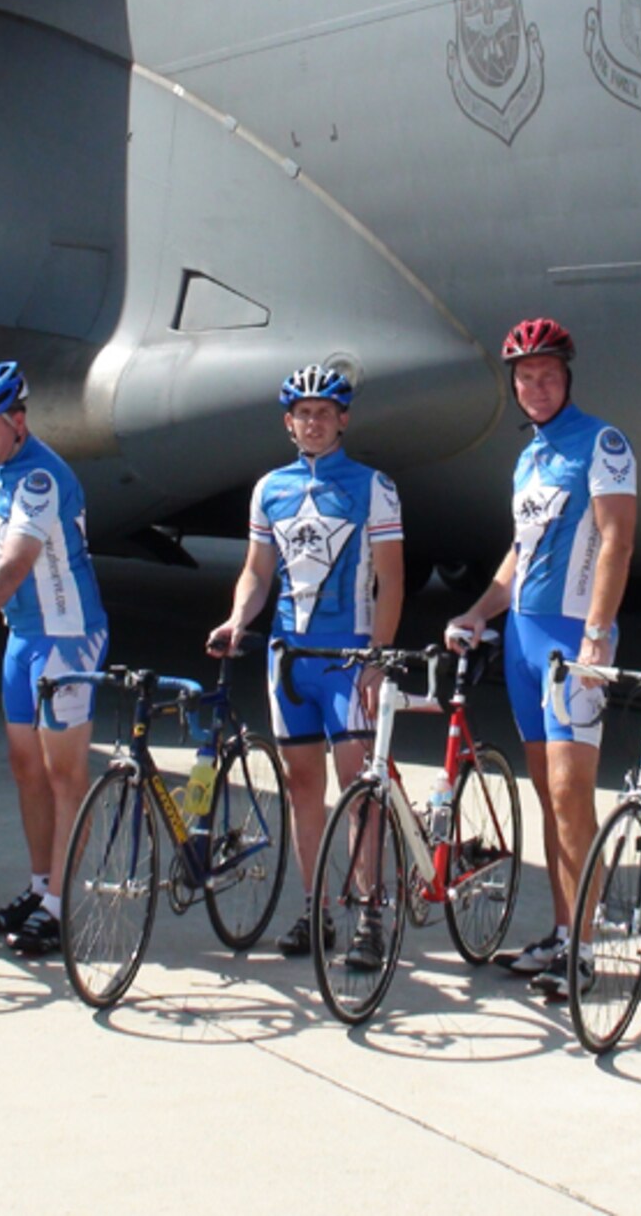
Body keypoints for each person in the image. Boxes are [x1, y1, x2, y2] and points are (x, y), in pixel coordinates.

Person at [447, 318, 637, 998]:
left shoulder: (602, 443)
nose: (535, 386)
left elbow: (616, 540)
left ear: (567, 377)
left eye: (547, 375)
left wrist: (597, 630)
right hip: (525, 643)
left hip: (572, 640)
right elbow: (520, 555)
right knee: (545, 794)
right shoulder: (529, 457)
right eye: (525, 377)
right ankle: (562, 934)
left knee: (570, 793)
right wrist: (478, 609)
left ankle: (584, 950)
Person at [208, 366, 404, 966]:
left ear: (343, 419)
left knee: (358, 788)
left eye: (324, 412)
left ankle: (369, 912)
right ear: (288, 422)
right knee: (301, 787)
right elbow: (257, 571)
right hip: (288, 657)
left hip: (348, 656)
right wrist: (238, 620)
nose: (313, 423)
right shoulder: (270, 488)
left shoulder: (374, 486)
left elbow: (392, 580)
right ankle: (314, 908)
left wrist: (376, 656)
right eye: (302, 413)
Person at [0, 362, 108, 957]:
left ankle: (58, 905)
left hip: (68, 635)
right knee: (25, 767)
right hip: (26, 635)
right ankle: (39, 888)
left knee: (64, 775)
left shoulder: (39, 478)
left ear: (18, 421)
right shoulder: (3, 475)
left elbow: (16, 565)